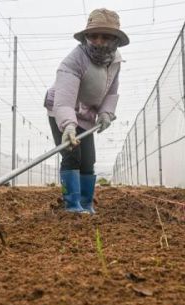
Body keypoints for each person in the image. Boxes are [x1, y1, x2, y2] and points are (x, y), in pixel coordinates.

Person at [44, 8, 129, 214]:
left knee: (88, 159)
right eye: (94, 36)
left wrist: (106, 113)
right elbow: (64, 101)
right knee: (72, 154)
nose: (99, 41)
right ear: (86, 37)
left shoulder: (115, 61)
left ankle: (86, 204)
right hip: (62, 112)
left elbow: (111, 92)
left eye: (106, 36)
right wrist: (68, 125)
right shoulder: (73, 61)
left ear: (115, 39)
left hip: (87, 115)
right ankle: (72, 206)